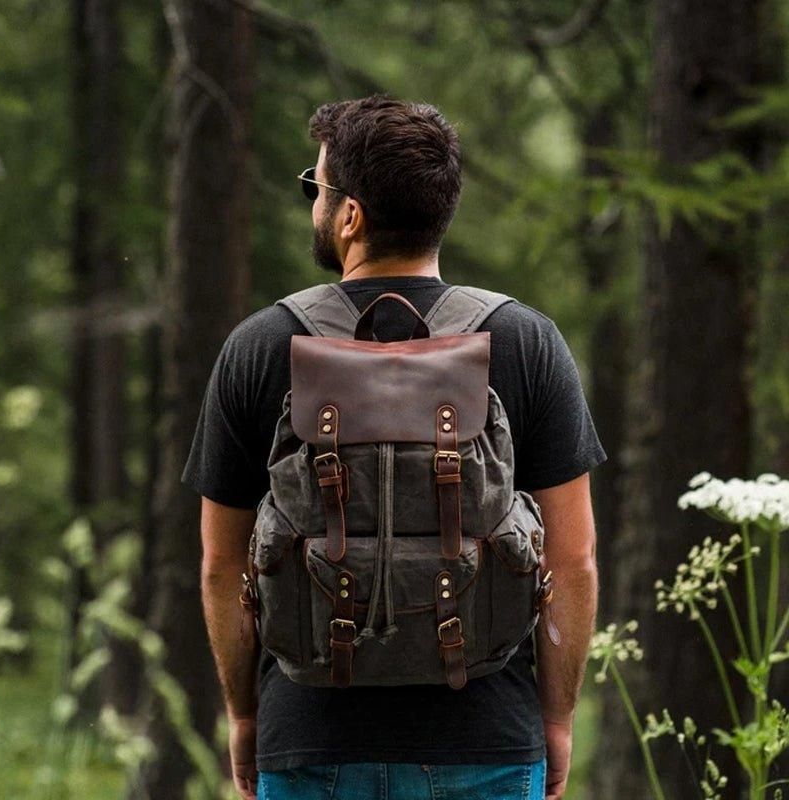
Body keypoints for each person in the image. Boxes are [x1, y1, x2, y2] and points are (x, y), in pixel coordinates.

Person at [182, 95, 606, 800]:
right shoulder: (527, 342)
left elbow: (221, 566)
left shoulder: (261, 347)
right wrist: (555, 719)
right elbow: (575, 557)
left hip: (309, 744)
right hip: (488, 743)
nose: (313, 203)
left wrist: (245, 715)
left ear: (350, 216)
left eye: (314, 188)